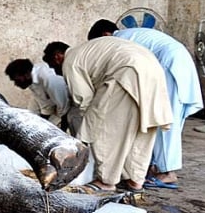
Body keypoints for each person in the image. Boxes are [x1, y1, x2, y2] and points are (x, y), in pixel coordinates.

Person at [87, 19, 203, 188]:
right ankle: (160, 167)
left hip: (168, 63)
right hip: (179, 62)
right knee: (169, 120)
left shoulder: (120, 41)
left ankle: (167, 173)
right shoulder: (132, 34)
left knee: (163, 119)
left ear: (105, 35)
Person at [60, 36, 172, 192]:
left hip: (127, 71)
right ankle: (135, 180)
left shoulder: (69, 61)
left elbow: (83, 100)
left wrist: (87, 130)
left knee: (108, 130)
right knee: (141, 129)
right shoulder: (88, 49)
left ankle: (106, 181)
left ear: (57, 57)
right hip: (153, 69)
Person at [4, 57, 80, 134]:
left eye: (17, 80)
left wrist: (62, 129)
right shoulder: (31, 80)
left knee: (74, 127)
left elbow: (64, 107)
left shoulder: (49, 78)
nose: (16, 84)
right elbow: (46, 105)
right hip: (56, 102)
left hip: (74, 103)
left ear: (26, 74)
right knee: (32, 118)